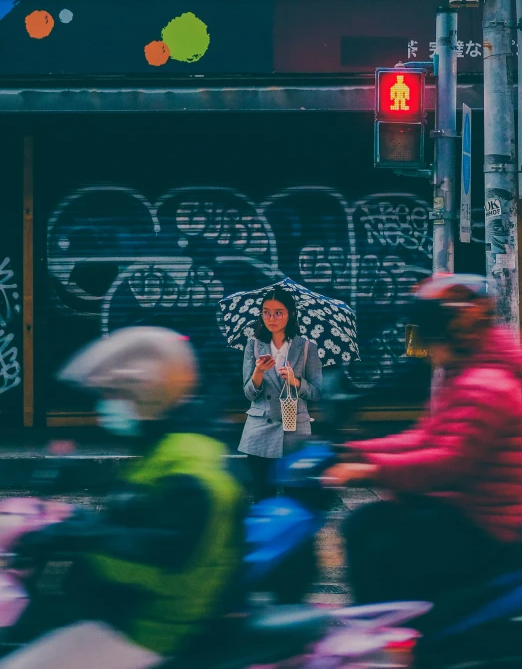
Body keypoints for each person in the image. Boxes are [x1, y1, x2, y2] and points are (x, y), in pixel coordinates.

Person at [2, 327, 245, 669]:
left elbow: (164, 558)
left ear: (142, 395)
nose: (104, 406)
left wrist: (79, 534)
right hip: (125, 612)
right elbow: (135, 523)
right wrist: (71, 522)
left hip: (150, 627)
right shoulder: (166, 449)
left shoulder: (191, 468)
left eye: (112, 393)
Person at [325, 274, 522, 605]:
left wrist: (369, 470)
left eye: (429, 337)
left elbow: (450, 461)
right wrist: (356, 451)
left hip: (487, 527)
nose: (424, 348)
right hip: (468, 512)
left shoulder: (485, 384)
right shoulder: (468, 376)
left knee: (378, 539)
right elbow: (428, 435)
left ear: (452, 332)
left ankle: (396, 636)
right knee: (368, 523)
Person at [239, 286, 323, 503]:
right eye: (266, 312)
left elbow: (317, 392)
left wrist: (296, 381)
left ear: (290, 314)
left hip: (294, 431)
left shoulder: (306, 348)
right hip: (260, 432)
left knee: (296, 496)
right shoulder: (254, 346)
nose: (271, 318)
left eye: (278, 312)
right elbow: (248, 393)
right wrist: (258, 371)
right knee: (262, 495)